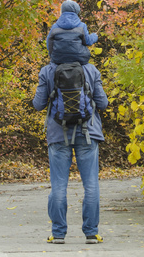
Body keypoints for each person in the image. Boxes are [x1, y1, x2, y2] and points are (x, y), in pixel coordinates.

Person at [33, 57, 108, 244]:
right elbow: (103, 103)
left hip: (58, 134)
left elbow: (38, 104)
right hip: (88, 132)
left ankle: (58, 233)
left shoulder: (47, 71)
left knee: (58, 184)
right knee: (91, 184)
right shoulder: (91, 70)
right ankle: (91, 233)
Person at [46, 0, 99, 65]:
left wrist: (53, 56)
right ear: (76, 11)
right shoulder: (82, 26)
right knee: (95, 73)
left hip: (58, 60)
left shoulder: (55, 26)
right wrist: (94, 36)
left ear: (62, 11)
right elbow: (88, 41)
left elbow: (49, 44)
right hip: (79, 59)